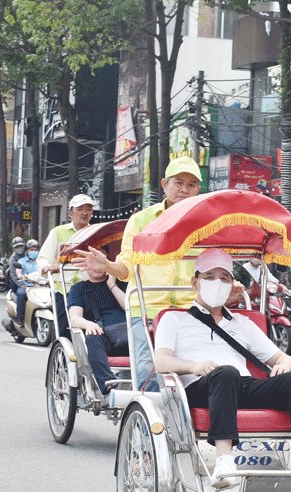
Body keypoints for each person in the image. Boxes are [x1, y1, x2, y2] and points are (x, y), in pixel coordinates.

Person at [154, 248, 291, 488]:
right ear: (195, 282)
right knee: (226, 372)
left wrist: (283, 366)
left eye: (224, 278)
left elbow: (282, 358)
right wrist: (194, 366)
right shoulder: (174, 319)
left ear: (231, 285)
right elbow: (161, 361)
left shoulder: (241, 322)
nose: (217, 282)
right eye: (209, 277)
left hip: (240, 385)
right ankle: (225, 460)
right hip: (199, 386)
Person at [73, 157, 205, 392]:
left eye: (192, 184)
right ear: (165, 184)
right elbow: (125, 268)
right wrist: (107, 265)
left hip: (189, 310)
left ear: (199, 189)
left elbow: (211, 268)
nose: (185, 189)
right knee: (148, 373)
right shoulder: (141, 220)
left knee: (194, 371)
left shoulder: (204, 224)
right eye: (179, 182)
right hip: (147, 309)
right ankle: (149, 426)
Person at [68, 255, 128, 399]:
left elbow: (131, 308)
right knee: (92, 336)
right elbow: (74, 318)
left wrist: (112, 285)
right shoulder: (79, 289)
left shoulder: (122, 284)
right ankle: (109, 385)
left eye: (100, 261)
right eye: (92, 261)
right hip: (103, 336)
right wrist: (88, 324)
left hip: (129, 334)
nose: (96, 266)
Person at [37, 194, 96, 336]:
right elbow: (43, 258)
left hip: (90, 289)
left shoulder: (96, 232)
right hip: (64, 289)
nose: (84, 212)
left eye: (88, 209)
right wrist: (47, 267)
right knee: (64, 331)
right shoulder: (58, 232)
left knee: (92, 330)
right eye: (80, 209)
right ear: (71, 213)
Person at [15, 239, 39, 325]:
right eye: (31, 250)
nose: (34, 252)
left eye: (36, 250)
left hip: (39, 287)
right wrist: (20, 275)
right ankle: (20, 318)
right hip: (25, 286)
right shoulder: (22, 261)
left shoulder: (41, 261)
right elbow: (18, 270)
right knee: (21, 294)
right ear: (27, 251)